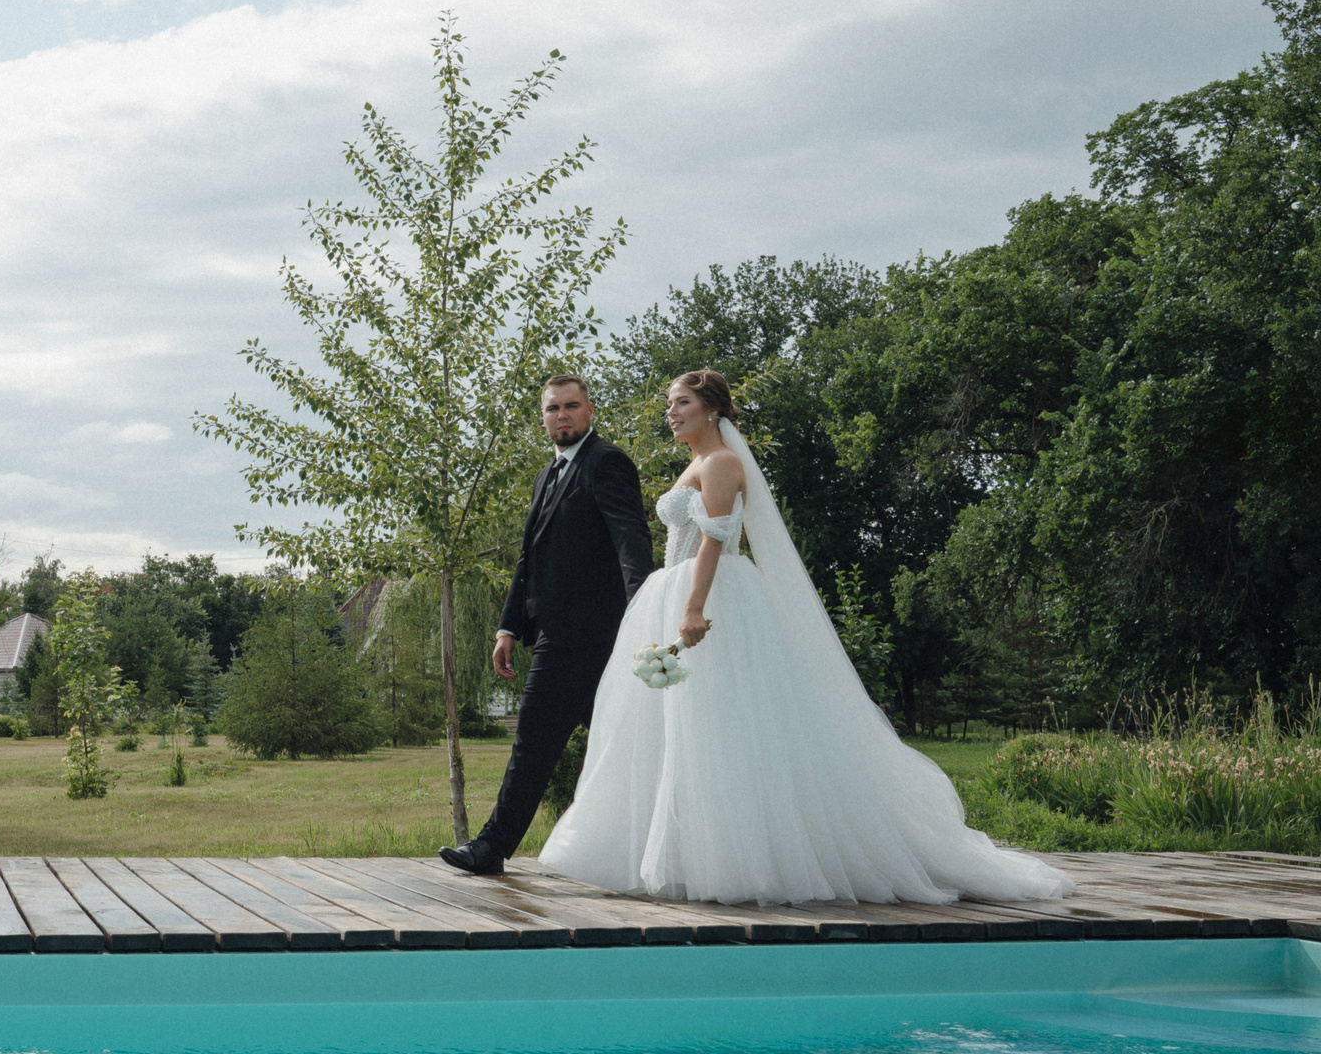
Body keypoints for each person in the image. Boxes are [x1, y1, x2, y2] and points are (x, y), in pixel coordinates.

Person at [538, 369, 1071, 905]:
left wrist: (693, 608)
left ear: (713, 410)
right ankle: (688, 854)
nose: (670, 413)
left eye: (681, 404)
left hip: (713, 595)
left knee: (725, 731)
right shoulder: (697, 463)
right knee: (687, 734)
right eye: (669, 405)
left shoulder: (722, 463)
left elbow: (715, 540)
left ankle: (744, 859)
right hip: (676, 590)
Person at [441, 373, 655, 875]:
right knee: (621, 747)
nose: (562, 415)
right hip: (556, 636)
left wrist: (644, 612)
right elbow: (528, 559)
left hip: (595, 637)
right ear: (543, 416)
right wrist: (507, 628)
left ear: (591, 410)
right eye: (552, 408)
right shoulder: (547, 476)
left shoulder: (608, 463)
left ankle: (491, 848)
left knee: (534, 743)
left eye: (571, 406)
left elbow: (631, 540)